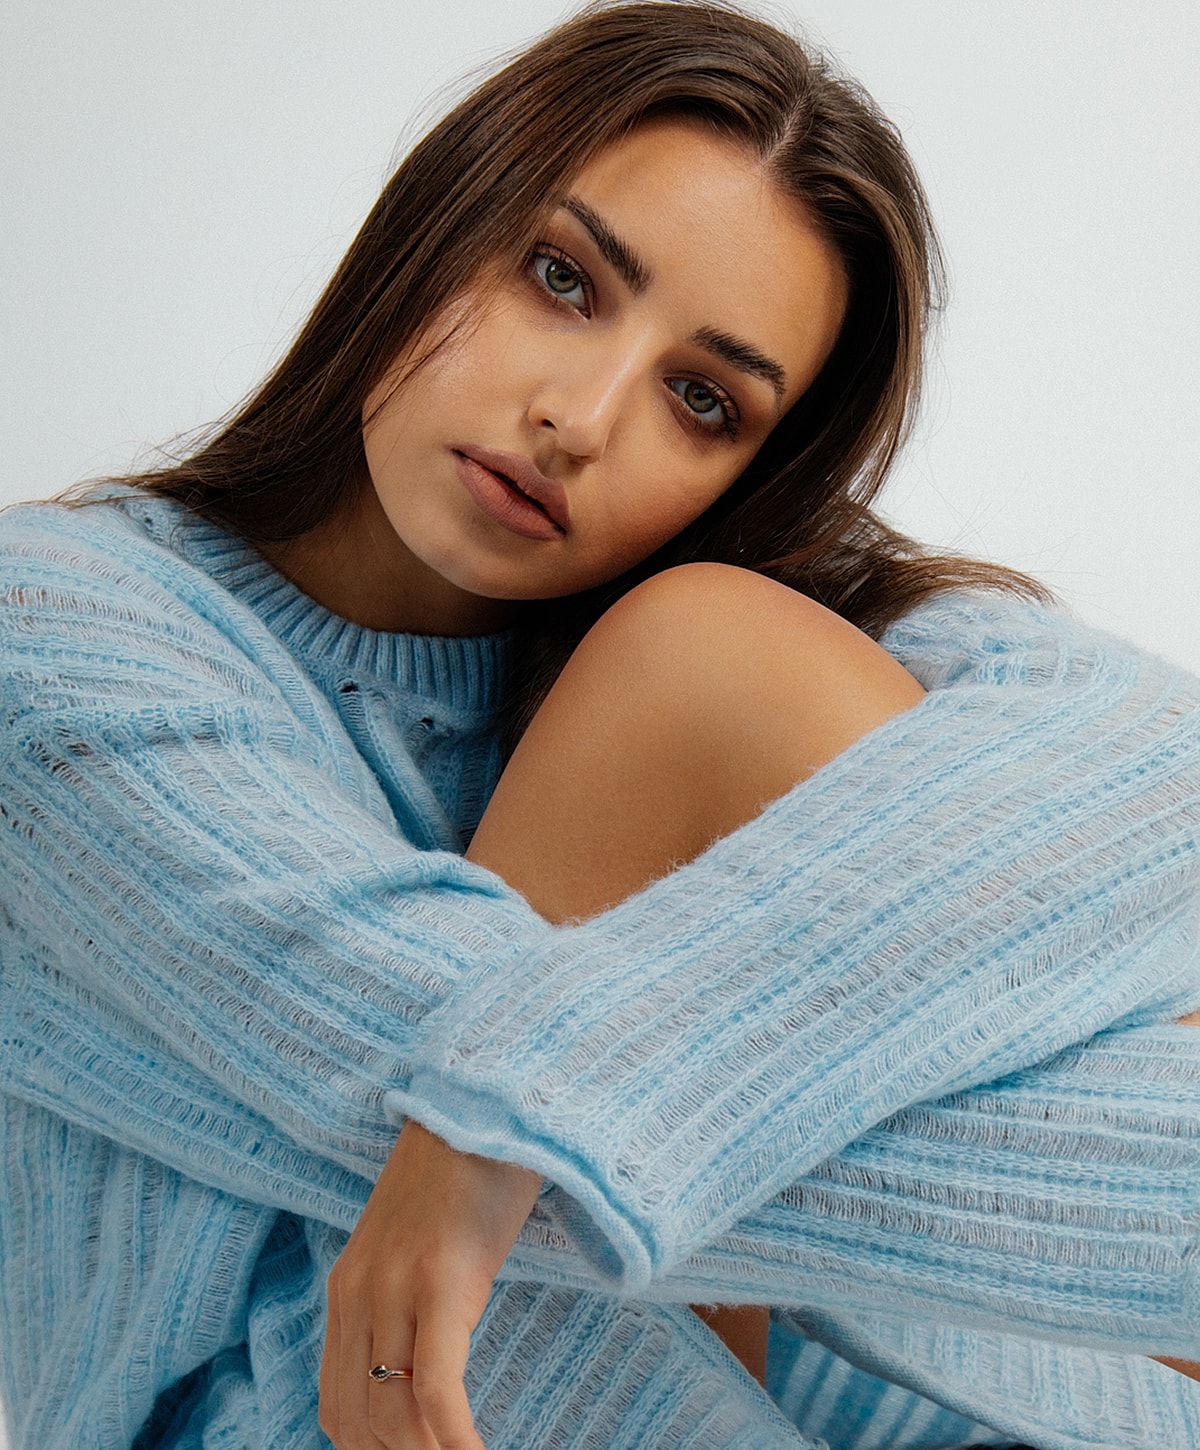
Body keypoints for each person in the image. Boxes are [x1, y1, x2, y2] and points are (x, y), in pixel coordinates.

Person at [1, 3, 1198, 1449]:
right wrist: (538, 1106)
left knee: (977, 807)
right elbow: (459, 1084)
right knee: (715, 681)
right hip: (343, 1412)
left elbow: (1158, 770)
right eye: (561, 278)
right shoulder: (58, 632)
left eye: (703, 398)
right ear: (443, 218)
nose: (581, 414)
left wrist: (529, 1102)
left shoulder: (708, 606)